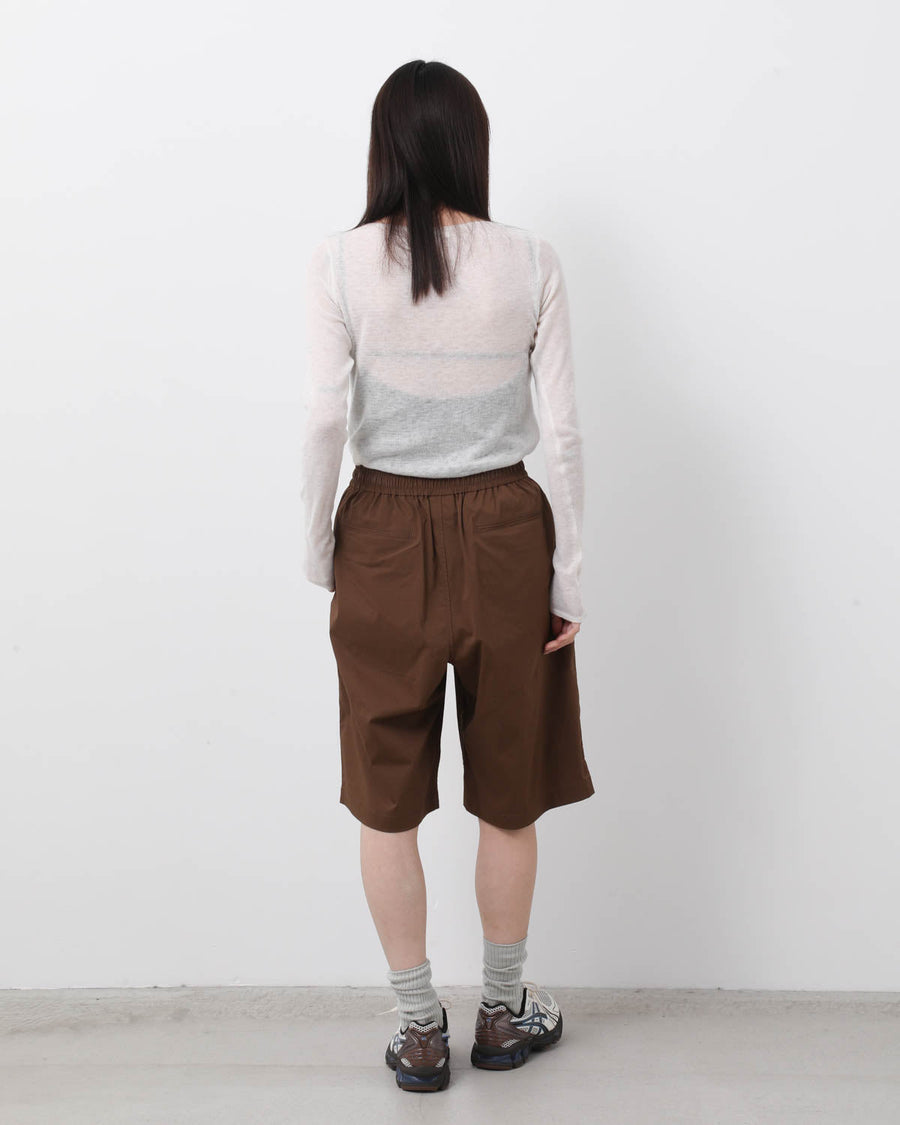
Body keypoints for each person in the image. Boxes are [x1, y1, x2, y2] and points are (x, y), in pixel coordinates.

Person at [300, 59, 595, 1093]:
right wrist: (569, 576)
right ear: (472, 143)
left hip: (381, 535)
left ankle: (419, 1027)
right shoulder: (531, 260)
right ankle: (503, 1015)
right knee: (509, 792)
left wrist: (320, 555)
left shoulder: (340, 263)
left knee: (386, 798)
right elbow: (563, 431)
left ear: (383, 148)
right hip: (508, 533)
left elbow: (322, 421)